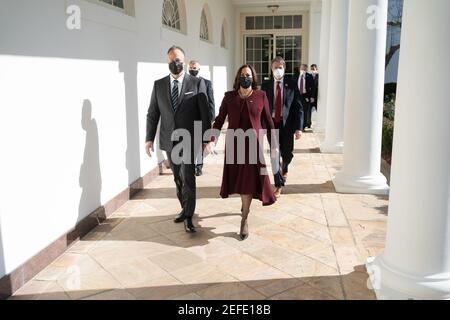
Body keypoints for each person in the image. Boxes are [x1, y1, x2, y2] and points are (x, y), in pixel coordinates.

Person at [206, 65, 277, 241]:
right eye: (242, 75)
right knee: (239, 182)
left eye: (248, 75)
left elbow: (268, 121)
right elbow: (219, 120)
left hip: (254, 147)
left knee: (248, 183)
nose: (246, 77)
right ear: (238, 78)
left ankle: (244, 218)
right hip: (234, 146)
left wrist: (274, 145)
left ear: (253, 78)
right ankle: (244, 209)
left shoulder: (261, 96)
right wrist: (211, 140)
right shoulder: (229, 97)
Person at [145, 46, 211, 233]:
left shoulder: (196, 83)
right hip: (169, 140)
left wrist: (206, 138)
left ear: (184, 60)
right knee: (177, 178)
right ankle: (184, 208)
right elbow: (153, 113)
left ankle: (189, 217)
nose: (176, 63)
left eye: (179, 60)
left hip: (189, 138)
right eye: (173, 60)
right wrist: (149, 138)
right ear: (167, 62)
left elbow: (204, 113)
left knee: (188, 177)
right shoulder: (158, 85)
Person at [261, 57, 304, 198]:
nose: (278, 69)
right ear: (271, 69)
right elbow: (261, 107)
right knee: (274, 154)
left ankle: (285, 168)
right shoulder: (266, 85)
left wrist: (299, 128)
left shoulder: (291, 84)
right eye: (275, 67)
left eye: (280, 67)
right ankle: (278, 184)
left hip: (287, 126)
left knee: (287, 154)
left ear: (284, 69)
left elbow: (298, 107)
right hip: (272, 124)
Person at [188, 60, 216, 177]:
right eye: (191, 68)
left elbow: (211, 100)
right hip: (188, 117)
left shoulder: (207, 83)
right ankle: (190, 165)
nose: (192, 70)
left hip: (201, 117)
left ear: (199, 69)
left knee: (200, 143)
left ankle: (198, 166)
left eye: (195, 68)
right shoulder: (184, 82)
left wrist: (212, 118)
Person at [294, 64, 316, 130]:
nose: (302, 70)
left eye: (304, 69)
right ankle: (296, 125)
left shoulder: (309, 76)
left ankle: (303, 126)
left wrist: (312, 96)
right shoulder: (295, 76)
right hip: (296, 95)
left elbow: (313, 87)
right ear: (299, 69)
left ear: (306, 70)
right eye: (301, 69)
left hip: (305, 96)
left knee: (304, 111)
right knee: (296, 110)